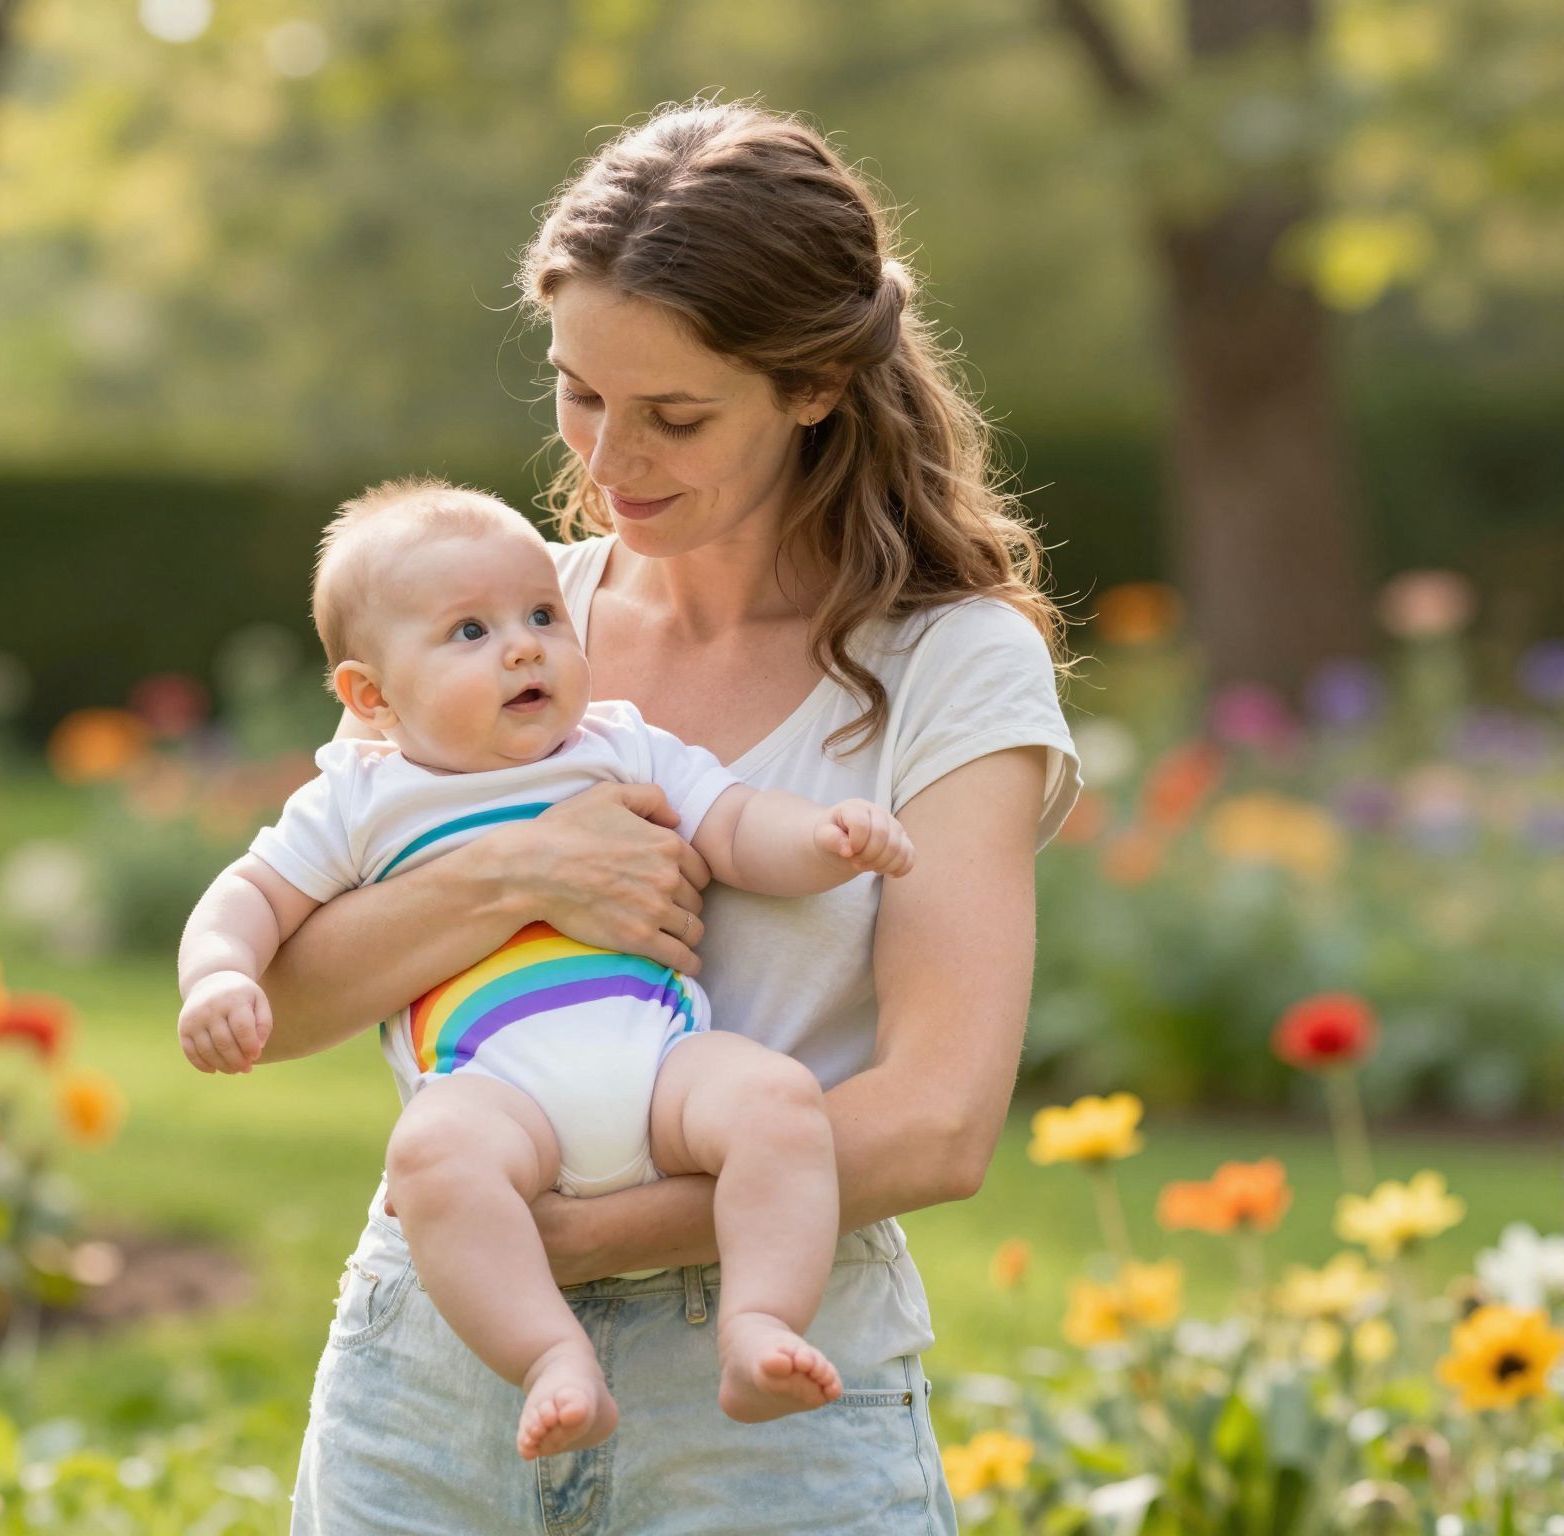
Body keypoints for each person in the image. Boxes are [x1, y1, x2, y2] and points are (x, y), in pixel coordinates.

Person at [253, 99, 1081, 1534]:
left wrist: (568, 1243)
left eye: (675, 415)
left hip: (768, 1401)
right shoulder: (494, 623)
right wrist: (522, 867)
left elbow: (939, 1122)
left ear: (815, 384)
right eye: (579, 392)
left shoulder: (947, 664)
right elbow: (289, 994)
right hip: (439, 1383)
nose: (606, 458)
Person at [177, 478, 918, 1460]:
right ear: (370, 695)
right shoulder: (360, 797)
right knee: (430, 1158)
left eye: (539, 615)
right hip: (497, 1093)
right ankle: (548, 1358)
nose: (522, 646)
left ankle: (757, 1325)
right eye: (468, 632)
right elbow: (248, 897)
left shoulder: (617, 743)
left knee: (778, 1105)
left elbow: (735, 824)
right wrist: (219, 977)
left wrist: (822, 837)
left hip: (660, 1068)